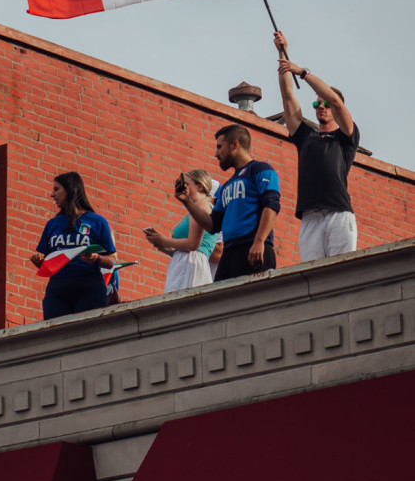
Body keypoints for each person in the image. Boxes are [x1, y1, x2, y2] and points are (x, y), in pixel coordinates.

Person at [274, 30, 359, 261]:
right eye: (316, 104)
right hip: (310, 215)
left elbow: (334, 101)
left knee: (341, 272)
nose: (321, 107)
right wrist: (282, 54)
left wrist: (301, 72)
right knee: (312, 275)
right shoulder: (306, 136)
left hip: (338, 213)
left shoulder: (345, 137)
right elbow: (287, 96)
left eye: (325, 104)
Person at [179, 124, 281, 281]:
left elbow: (271, 206)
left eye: (220, 147)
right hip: (229, 255)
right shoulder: (226, 186)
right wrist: (187, 202)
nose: (216, 153)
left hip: (254, 249)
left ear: (235, 144)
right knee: (221, 303)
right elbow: (213, 224)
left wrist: (259, 241)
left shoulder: (260, 169)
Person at [30, 172, 117, 320]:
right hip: (58, 288)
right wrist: (38, 261)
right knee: (55, 334)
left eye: (56, 189)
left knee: (87, 333)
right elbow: (47, 264)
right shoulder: (52, 224)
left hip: (89, 285)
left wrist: (96, 258)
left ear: (70, 189)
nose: (52, 195)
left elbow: (111, 262)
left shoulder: (97, 221)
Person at [143, 169, 219, 292]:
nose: (184, 188)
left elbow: (193, 245)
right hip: (185, 263)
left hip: (191, 265)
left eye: (187, 184)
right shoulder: (195, 209)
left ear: (200, 186)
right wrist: (166, 249)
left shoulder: (201, 206)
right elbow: (187, 250)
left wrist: (163, 240)